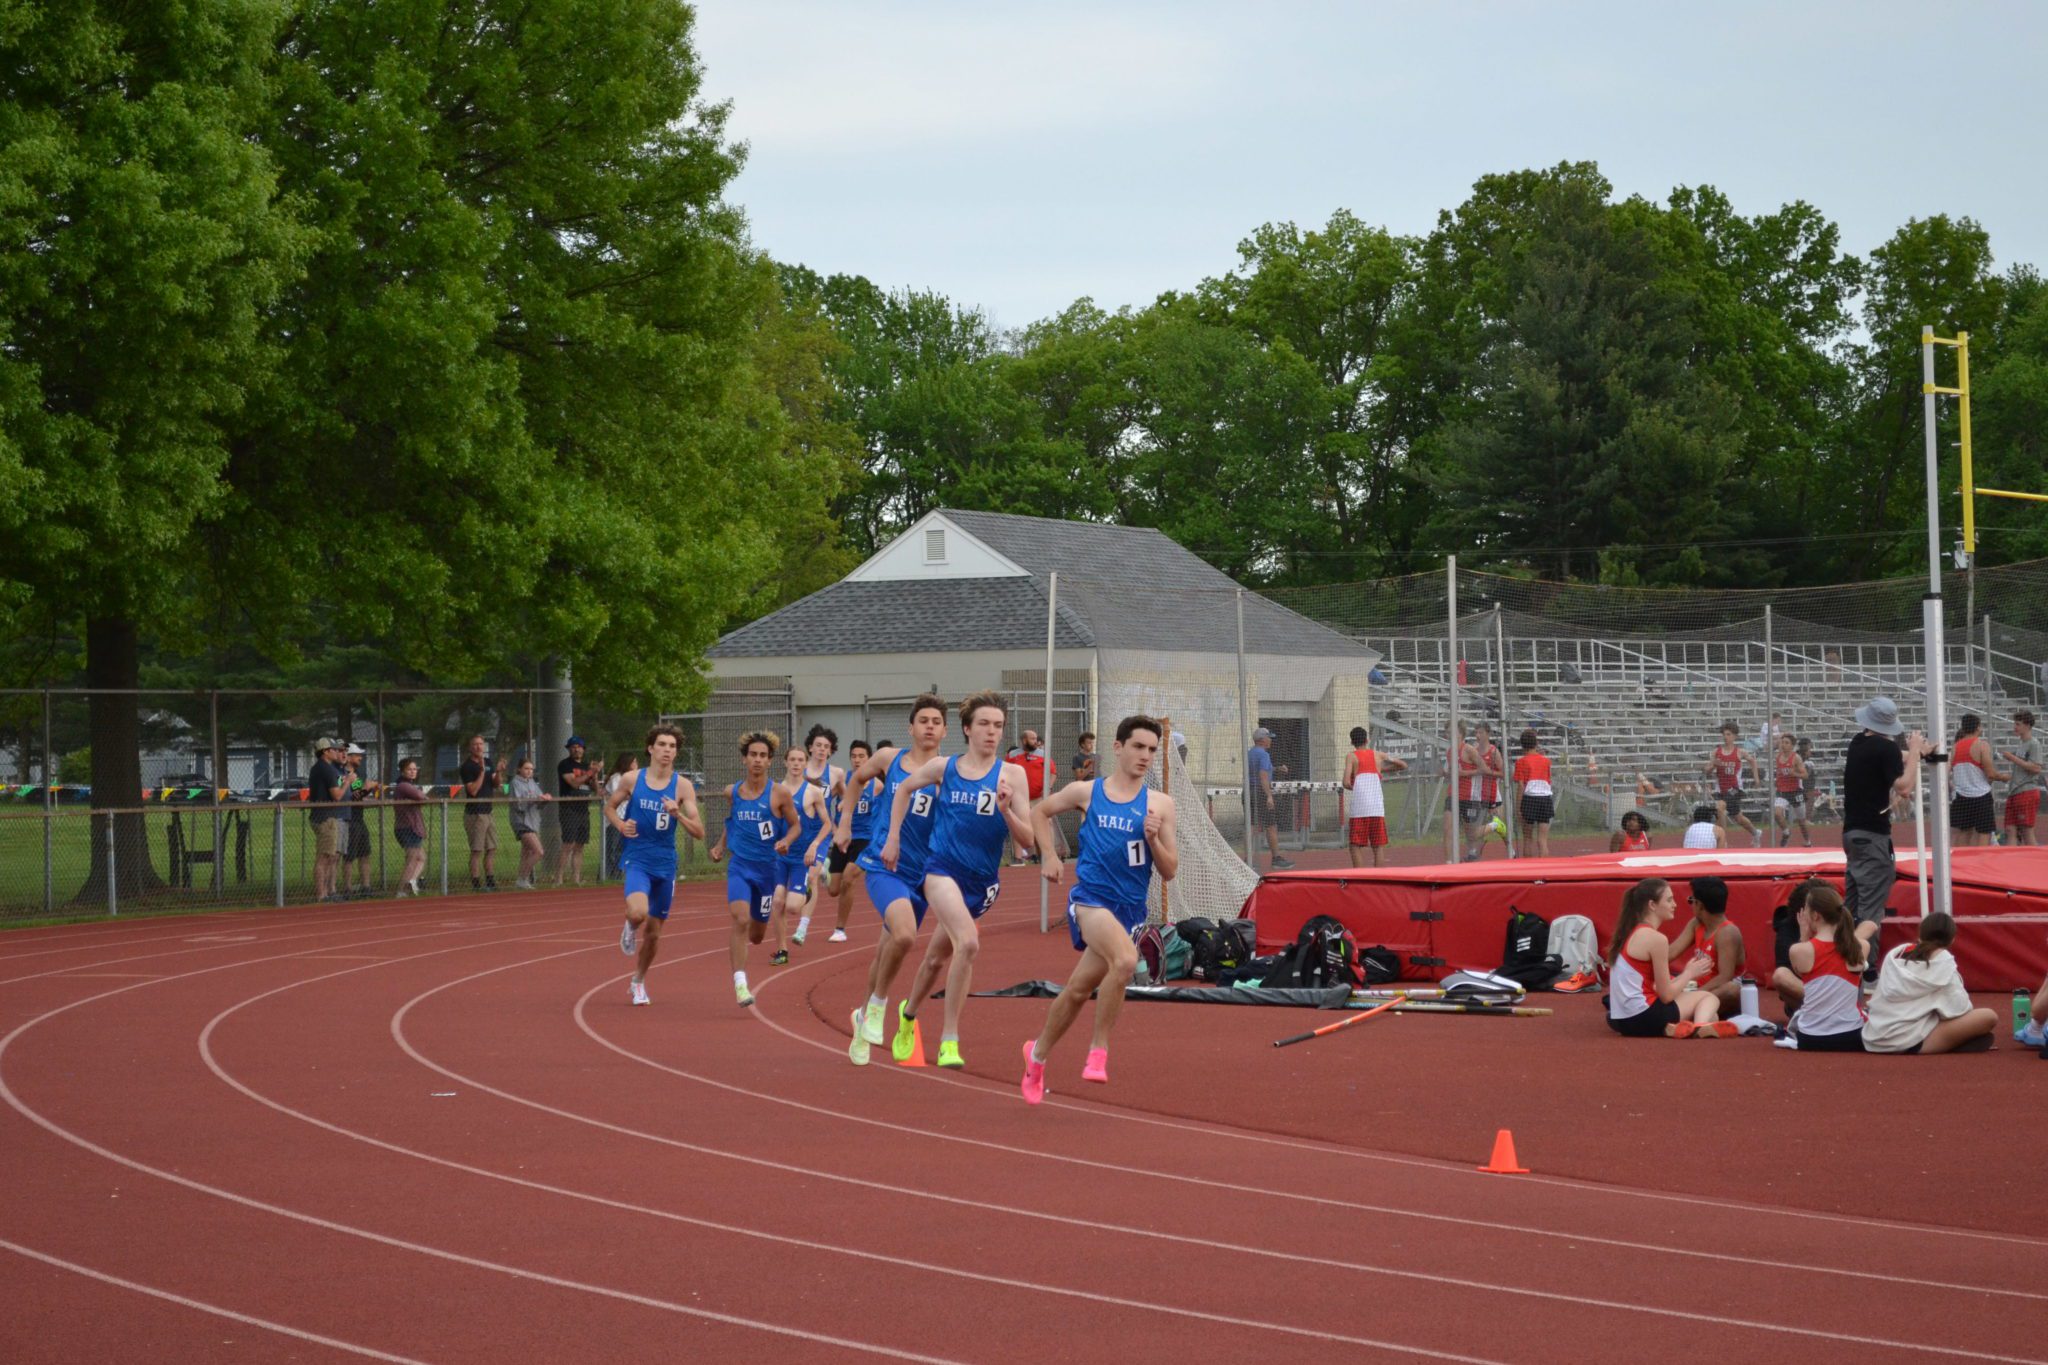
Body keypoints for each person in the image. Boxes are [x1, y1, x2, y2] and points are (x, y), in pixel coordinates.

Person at [1021, 715, 1180, 1100]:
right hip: (1090, 900)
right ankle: (1098, 1051)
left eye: (1152, 751)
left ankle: (1036, 1056)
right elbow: (1039, 811)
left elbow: (1170, 870)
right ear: (1118, 747)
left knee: (1077, 990)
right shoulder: (1087, 791)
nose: (1145, 756)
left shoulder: (1160, 804)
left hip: (1128, 911)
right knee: (1125, 962)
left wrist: (1154, 839)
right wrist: (1048, 856)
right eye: (1138, 747)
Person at [882, 691, 1035, 1067]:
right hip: (940, 871)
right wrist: (894, 836)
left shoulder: (1011, 775)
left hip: (981, 883)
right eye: (983, 724)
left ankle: (907, 1016)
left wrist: (1006, 811)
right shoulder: (944, 768)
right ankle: (949, 1039)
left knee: (936, 958)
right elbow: (903, 787)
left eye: (998, 726)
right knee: (968, 943)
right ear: (967, 729)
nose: (991, 732)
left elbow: (1028, 841)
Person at [841, 696, 949, 1064]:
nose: (930, 726)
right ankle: (877, 1006)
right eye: (923, 720)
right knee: (904, 935)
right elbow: (856, 781)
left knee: (886, 949)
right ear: (911, 727)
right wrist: (843, 823)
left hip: (923, 875)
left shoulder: (950, 773)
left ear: (946, 730)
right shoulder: (890, 759)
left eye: (936, 721)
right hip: (884, 865)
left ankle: (861, 1020)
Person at [610, 724, 703, 1007]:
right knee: (638, 913)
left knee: (654, 933)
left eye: (672, 746)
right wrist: (620, 824)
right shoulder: (631, 779)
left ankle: (638, 981)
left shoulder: (683, 786)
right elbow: (609, 807)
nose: (667, 750)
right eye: (662, 744)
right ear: (651, 748)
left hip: (666, 864)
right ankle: (629, 924)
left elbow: (698, 831)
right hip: (638, 858)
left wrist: (679, 815)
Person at [1842, 697, 1928, 972]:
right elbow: (1904, 787)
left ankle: (1844, 961)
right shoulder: (1886, 748)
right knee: (1870, 910)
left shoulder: (1858, 743)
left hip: (1852, 833)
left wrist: (1916, 753)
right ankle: (1866, 970)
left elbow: (1891, 757)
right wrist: (1914, 750)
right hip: (1872, 836)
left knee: (1852, 905)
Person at [707, 731, 793, 1004]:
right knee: (740, 919)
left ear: (770, 761)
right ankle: (740, 983)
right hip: (740, 866)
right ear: (744, 759)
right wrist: (721, 845)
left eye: (763, 756)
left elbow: (797, 825)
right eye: (753, 755)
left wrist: (786, 841)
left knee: (756, 936)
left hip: (768, 870)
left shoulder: (779, 794)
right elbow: (731, 821)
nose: (757, 760)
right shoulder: (733, 792)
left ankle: (750, 951)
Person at [1604, 877, 1729, 1038]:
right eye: (1669, 900)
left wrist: (1684, 978)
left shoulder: (1628, 933)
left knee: (1711, 1014)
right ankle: (1699, 1027)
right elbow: (1666, 995)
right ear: (1652, 905)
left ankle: (1678, 1027)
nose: (1675, 905)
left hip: (1622, 1021)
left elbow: (1656, 987)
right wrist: (1689, 973)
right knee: (1709, 998)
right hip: (1644, 1016)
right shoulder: (1656, 939)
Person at [1863, 913, 1999, 1054]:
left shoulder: (1894, 956)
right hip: (1909, 1041)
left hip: (1874, 1037)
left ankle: (1955, 1041)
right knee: (1988, 1016)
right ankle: (1955, 1042)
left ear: (1920, 934)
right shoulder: (1944, 964)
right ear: (1952, 939)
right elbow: (1959, 1010)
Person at [1771, 883, 1869, 1051]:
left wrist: (1803, 937)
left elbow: (1803, 976)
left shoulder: (1799, 950)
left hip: (1810, 1038)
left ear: (1815, 916)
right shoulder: (1862, 947)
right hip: (1852, 1036)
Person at [770, 745, 829, 960]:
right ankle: (782, 949)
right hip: (779, 856)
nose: (796, 764)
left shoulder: (813, 792)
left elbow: (827, 824)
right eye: (792, 760)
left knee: (793, 907)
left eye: (800, 760)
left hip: (800, 858)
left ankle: (807, 892)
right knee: (777, 901)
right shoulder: (774, 790)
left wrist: (814, 845)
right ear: (785, 762)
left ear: (805, 763)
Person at [789, 726, 844, 947]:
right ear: (810, 747)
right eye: (818, 745)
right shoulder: (799, 767)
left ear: (831, 751)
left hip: (820, 833)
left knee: (810, 877)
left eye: (826, 747)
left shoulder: (835, 773)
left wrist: (842, 808)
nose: (822, 750)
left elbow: (847, 795)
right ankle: (823, 868)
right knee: (799, 879)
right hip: (798, 833)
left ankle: (802, 928)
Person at [1670, 876, 1745, 1017]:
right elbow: (1671, 952)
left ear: (1699, 905)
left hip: (1716, 991)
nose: (1691, 905)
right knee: (1664, 979)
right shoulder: (1696, 924)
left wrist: (1695, 995)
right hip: (1696, 987)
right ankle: (1689, 1011)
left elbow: (1725, 977)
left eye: (1691, 901)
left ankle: (1687, 1011)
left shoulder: (1727, 932)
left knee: (1731, 989)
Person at [825, 739, 876, 942]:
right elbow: (823, 804)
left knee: (849, 877)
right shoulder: (843, 781)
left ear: (869, 758)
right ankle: (824, 871)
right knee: (833, 890)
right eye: (854, 756)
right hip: (842, 838)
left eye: (861, 756)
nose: (857, 760)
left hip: (865, 839)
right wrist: (834, 828)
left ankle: (840, 929)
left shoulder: (878, 785)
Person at [1342, 725, 1406, 868]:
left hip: (1360, 809)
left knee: (1355, 845)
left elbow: (1346, 782)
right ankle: (1378, 878)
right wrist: (1383, 769)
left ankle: (1359, 878)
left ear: (1352, 742)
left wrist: (1357, 788)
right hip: (1377, 808)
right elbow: (1402, 765)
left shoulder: (1351, 756)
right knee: (1378, 847)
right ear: (1367, 739)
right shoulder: (1378, 755)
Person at [1949, 713, 2006, 848]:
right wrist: (2005, 777)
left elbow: (1952, 769)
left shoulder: (1955, 747)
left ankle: (1959, 863)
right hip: (1981, 796)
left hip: (1962, 796)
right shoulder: (1982, 745)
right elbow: (1991, 774)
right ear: (1978, 727)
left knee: (1964, 832)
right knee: (1984, 833)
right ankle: (1981, 863)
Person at [1004, 729, 1056, 864]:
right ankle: (1018, 858)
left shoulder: (1043, 755)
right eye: (1032, 739)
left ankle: (1046, 855)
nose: (1036, 741)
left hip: (1038, 797)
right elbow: (1006, 772)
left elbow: (1053, 773)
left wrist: (1048, 788)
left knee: (1045, 823)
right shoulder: (1013, 755)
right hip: (1019, 798)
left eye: (1036, 738)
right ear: (1024, 740)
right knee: (1017, 824)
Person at [1704, 722, 1760, 846]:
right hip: (1720, 789)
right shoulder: (1716, 752)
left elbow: (1753, 761)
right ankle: (1755, 833)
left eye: (1728, 735)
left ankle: (1722, 841)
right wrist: (1713, 765)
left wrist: (1756, 779)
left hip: (1734, 788)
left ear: (1734, 736)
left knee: (1720, 806)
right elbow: (1707, 770)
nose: (1726, 737)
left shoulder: (1740, 752)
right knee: (1738, 818)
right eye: (1724, 734)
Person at [308, 738, 349, 902]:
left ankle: (325, 892)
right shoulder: (328, 770)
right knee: (324, 857)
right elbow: (338, 795)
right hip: (326, 817)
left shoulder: (321, 768)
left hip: (323, 816)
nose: (339, 752)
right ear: (325, 751)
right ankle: (322, 894)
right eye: (335, 749)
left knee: (330, 856)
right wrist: (348, 783)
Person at [554, 736, 598, 886]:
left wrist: (595, 775)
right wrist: (590, 773)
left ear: (583, 749)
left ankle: (576, 879)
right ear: (569, 749)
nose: (577, 749)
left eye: (579, 747)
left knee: (580, 845)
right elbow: (573, 782)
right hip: (569, 808)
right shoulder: (565, 765)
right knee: (568, 844)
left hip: (583, 809)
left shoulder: (587, 766)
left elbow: (596, 789)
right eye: (573, 746)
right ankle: (558, 878)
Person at [1247, 726, 1292, 870]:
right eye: (1268, 738)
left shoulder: (1250, 753)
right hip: (1260, 791)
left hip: (1248, 791)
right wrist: (1269, 796)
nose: (1270, 740)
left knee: (1250, 825)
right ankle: (1276, 858)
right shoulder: (1264, 755)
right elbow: (1263, 775)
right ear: (1262, 740)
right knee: (1271, 826)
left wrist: (1277, 768)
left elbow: (1264, 769)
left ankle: (1248, 859)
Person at [458, 734, 498, 891]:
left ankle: (490, 880)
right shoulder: (467, 767)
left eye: (481, 744)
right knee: (477, 850)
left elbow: (495, 783)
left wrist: (499, 772)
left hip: (489, 811)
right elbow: (473, 790)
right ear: (470, 747)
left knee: (492, 848)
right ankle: (476, 883)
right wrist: (481, 772)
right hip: (475, 813)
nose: (479, 747)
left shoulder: (488, 762)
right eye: (475, 744)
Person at [2000, 711, 2043, 847]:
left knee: (2026, 831)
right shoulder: (2021, 744)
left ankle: (2035, 863)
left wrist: (2013, 758)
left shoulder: (2034, 744)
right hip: (2015, 791)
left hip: (2026, 791)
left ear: (2027, 725)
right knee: (2010, 829)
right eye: (2015, 723)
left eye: (2018, 724)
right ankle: (2011, 862)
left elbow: (2036, 768)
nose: (2015, 727)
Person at [507, 758, 550, 890]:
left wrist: (544, 799)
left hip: (533, 821)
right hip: (521, 821)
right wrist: (535, 799)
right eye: (526, 768)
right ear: (519, 769)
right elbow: (518, 804)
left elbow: (539, 800)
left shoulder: (532, 783)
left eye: (531, 769)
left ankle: (522, 881)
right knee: (539, 851)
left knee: (526, 852)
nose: (529, 771)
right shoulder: (515, 783)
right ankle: (522, 878)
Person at [1511, 728, 1553, 859]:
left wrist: (1518, 809)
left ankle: (1529, 870)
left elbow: (1521, 786)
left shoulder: (1521, 762)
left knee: (1527, 838)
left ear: (1523, 745)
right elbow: (1548, 781)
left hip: (1530, 799)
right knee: (1542, 839)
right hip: (1545, 798)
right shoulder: (1546, 761)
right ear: (1536, 743)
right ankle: (1544, 869)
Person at [340, 743, 375, 898]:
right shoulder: (342, 773)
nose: (360, 758)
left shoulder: (357, 773)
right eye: (357, 755)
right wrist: (367, 788)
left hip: (359, 818)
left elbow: (358, 794)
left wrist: (366, 791)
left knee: (365, 853)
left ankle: (366, 886)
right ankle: (347, 888)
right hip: (349, 819)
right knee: (349, 856)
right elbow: (353, 795)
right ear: (349, 756)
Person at [391, 757, 429, 895]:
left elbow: (421, 798)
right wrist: (422, 797)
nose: (413, 772)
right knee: (412, 858)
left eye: (414, 769)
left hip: (412, 827)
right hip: (407, 827)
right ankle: (401, 890)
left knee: (421, 857)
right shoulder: (403, 785)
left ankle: (411, 881)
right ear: (402, 771)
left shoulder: (409, 785)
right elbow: (420, 796)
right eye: (409, 769)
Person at [1771, 732, 1812, 848]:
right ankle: (1786, 831)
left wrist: (1793, 773)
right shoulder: (1779, 756)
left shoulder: (1796, 758)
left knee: (1801, 821)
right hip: (1782, 791)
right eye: (1782, 742)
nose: (1783, 745)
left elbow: (1805, 775)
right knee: (1777, 813)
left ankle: (1808, 841)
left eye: (1787, 743)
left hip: (1795, 791)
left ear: (1792, 746)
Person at [603, 752, 637, 878]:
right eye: (633, 762)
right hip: (616, 817)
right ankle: (608, 875)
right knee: (612, 847)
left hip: (627, 817)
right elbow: (620, 795)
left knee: (622, 847)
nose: (636, 764)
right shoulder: (617, 777)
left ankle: (617, 874)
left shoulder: (632, 778)